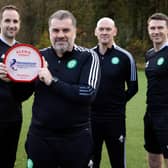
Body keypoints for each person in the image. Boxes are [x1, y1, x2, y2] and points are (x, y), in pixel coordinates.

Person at [25, 10, 100, 168]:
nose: (60, 35)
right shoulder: (38, 57)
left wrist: (52, 81)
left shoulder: (88, 57)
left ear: (75, 32)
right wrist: (11, 80)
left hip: (75, 138)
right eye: (55, 30)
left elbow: (88, 93)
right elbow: (22, 94)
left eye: (65, 30)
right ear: (49, 32)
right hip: (40, 137)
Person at [90, 17, 138, 168]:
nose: (104, 32)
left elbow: (133, 87)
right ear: (95, 32)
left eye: (108, 29)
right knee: (90, 162)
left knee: (117, 162)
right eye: (101, 29)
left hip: (115, 119)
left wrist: (117, 103)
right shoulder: (88, 56)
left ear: (115, 31)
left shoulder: (125, 57)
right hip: (91, 118)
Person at [0, 5, 30, 168]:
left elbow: (25, 93)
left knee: (8, 161)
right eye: (7, 20)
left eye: (15, 21)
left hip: (13, 117)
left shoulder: (23, 52)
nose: (11, 25)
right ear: (0, 23)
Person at [144, 12, 168, 168]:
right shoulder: (150, 54)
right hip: (151, 113)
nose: (156, 31)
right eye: (153, 28)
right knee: (153, 156)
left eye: (160, 27)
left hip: (167, 114)